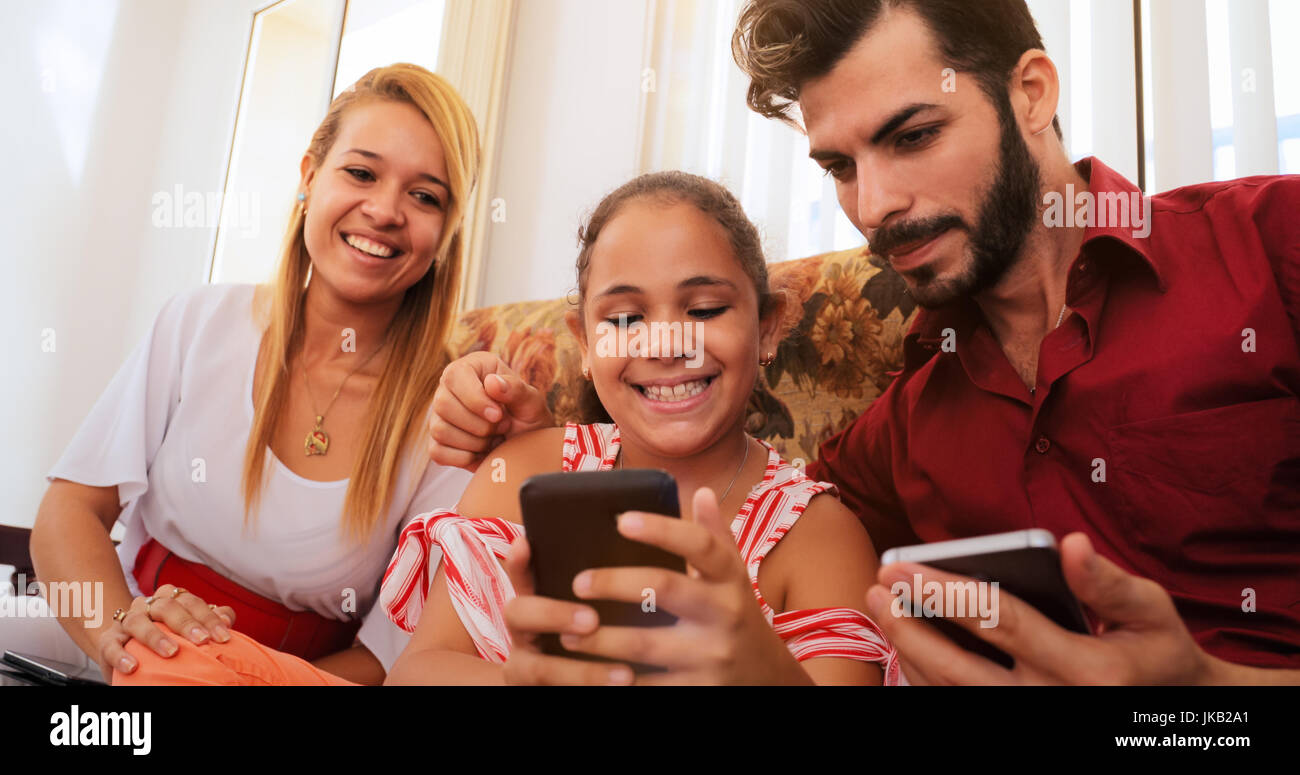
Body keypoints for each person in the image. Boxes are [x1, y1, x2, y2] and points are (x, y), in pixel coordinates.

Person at [428, 1, 1300, 684]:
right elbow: (741, 494)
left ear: (1031, 91)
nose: (875, 204)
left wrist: (1206, 699)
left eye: (913, 136)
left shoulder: (1272, 249)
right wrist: (544, 423)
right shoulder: (896, 435)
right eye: (840, 166)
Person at [24, 63, 480, 685]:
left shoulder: (451, 416)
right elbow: (71, 510)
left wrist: (229, 675)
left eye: (425, 195)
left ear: (447, 232)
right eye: (361, 173)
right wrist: (122, 637)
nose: (384, 210)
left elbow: (385, 659)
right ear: (309, 178)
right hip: (120, 633)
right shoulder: (200, 321)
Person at [382, 171, 897, 685]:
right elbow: (415, 671)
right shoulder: (521, 471)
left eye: (705, 309)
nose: (665, 343)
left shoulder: (818, 535)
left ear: (766, 326)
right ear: (584, 344)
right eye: (625, 318)